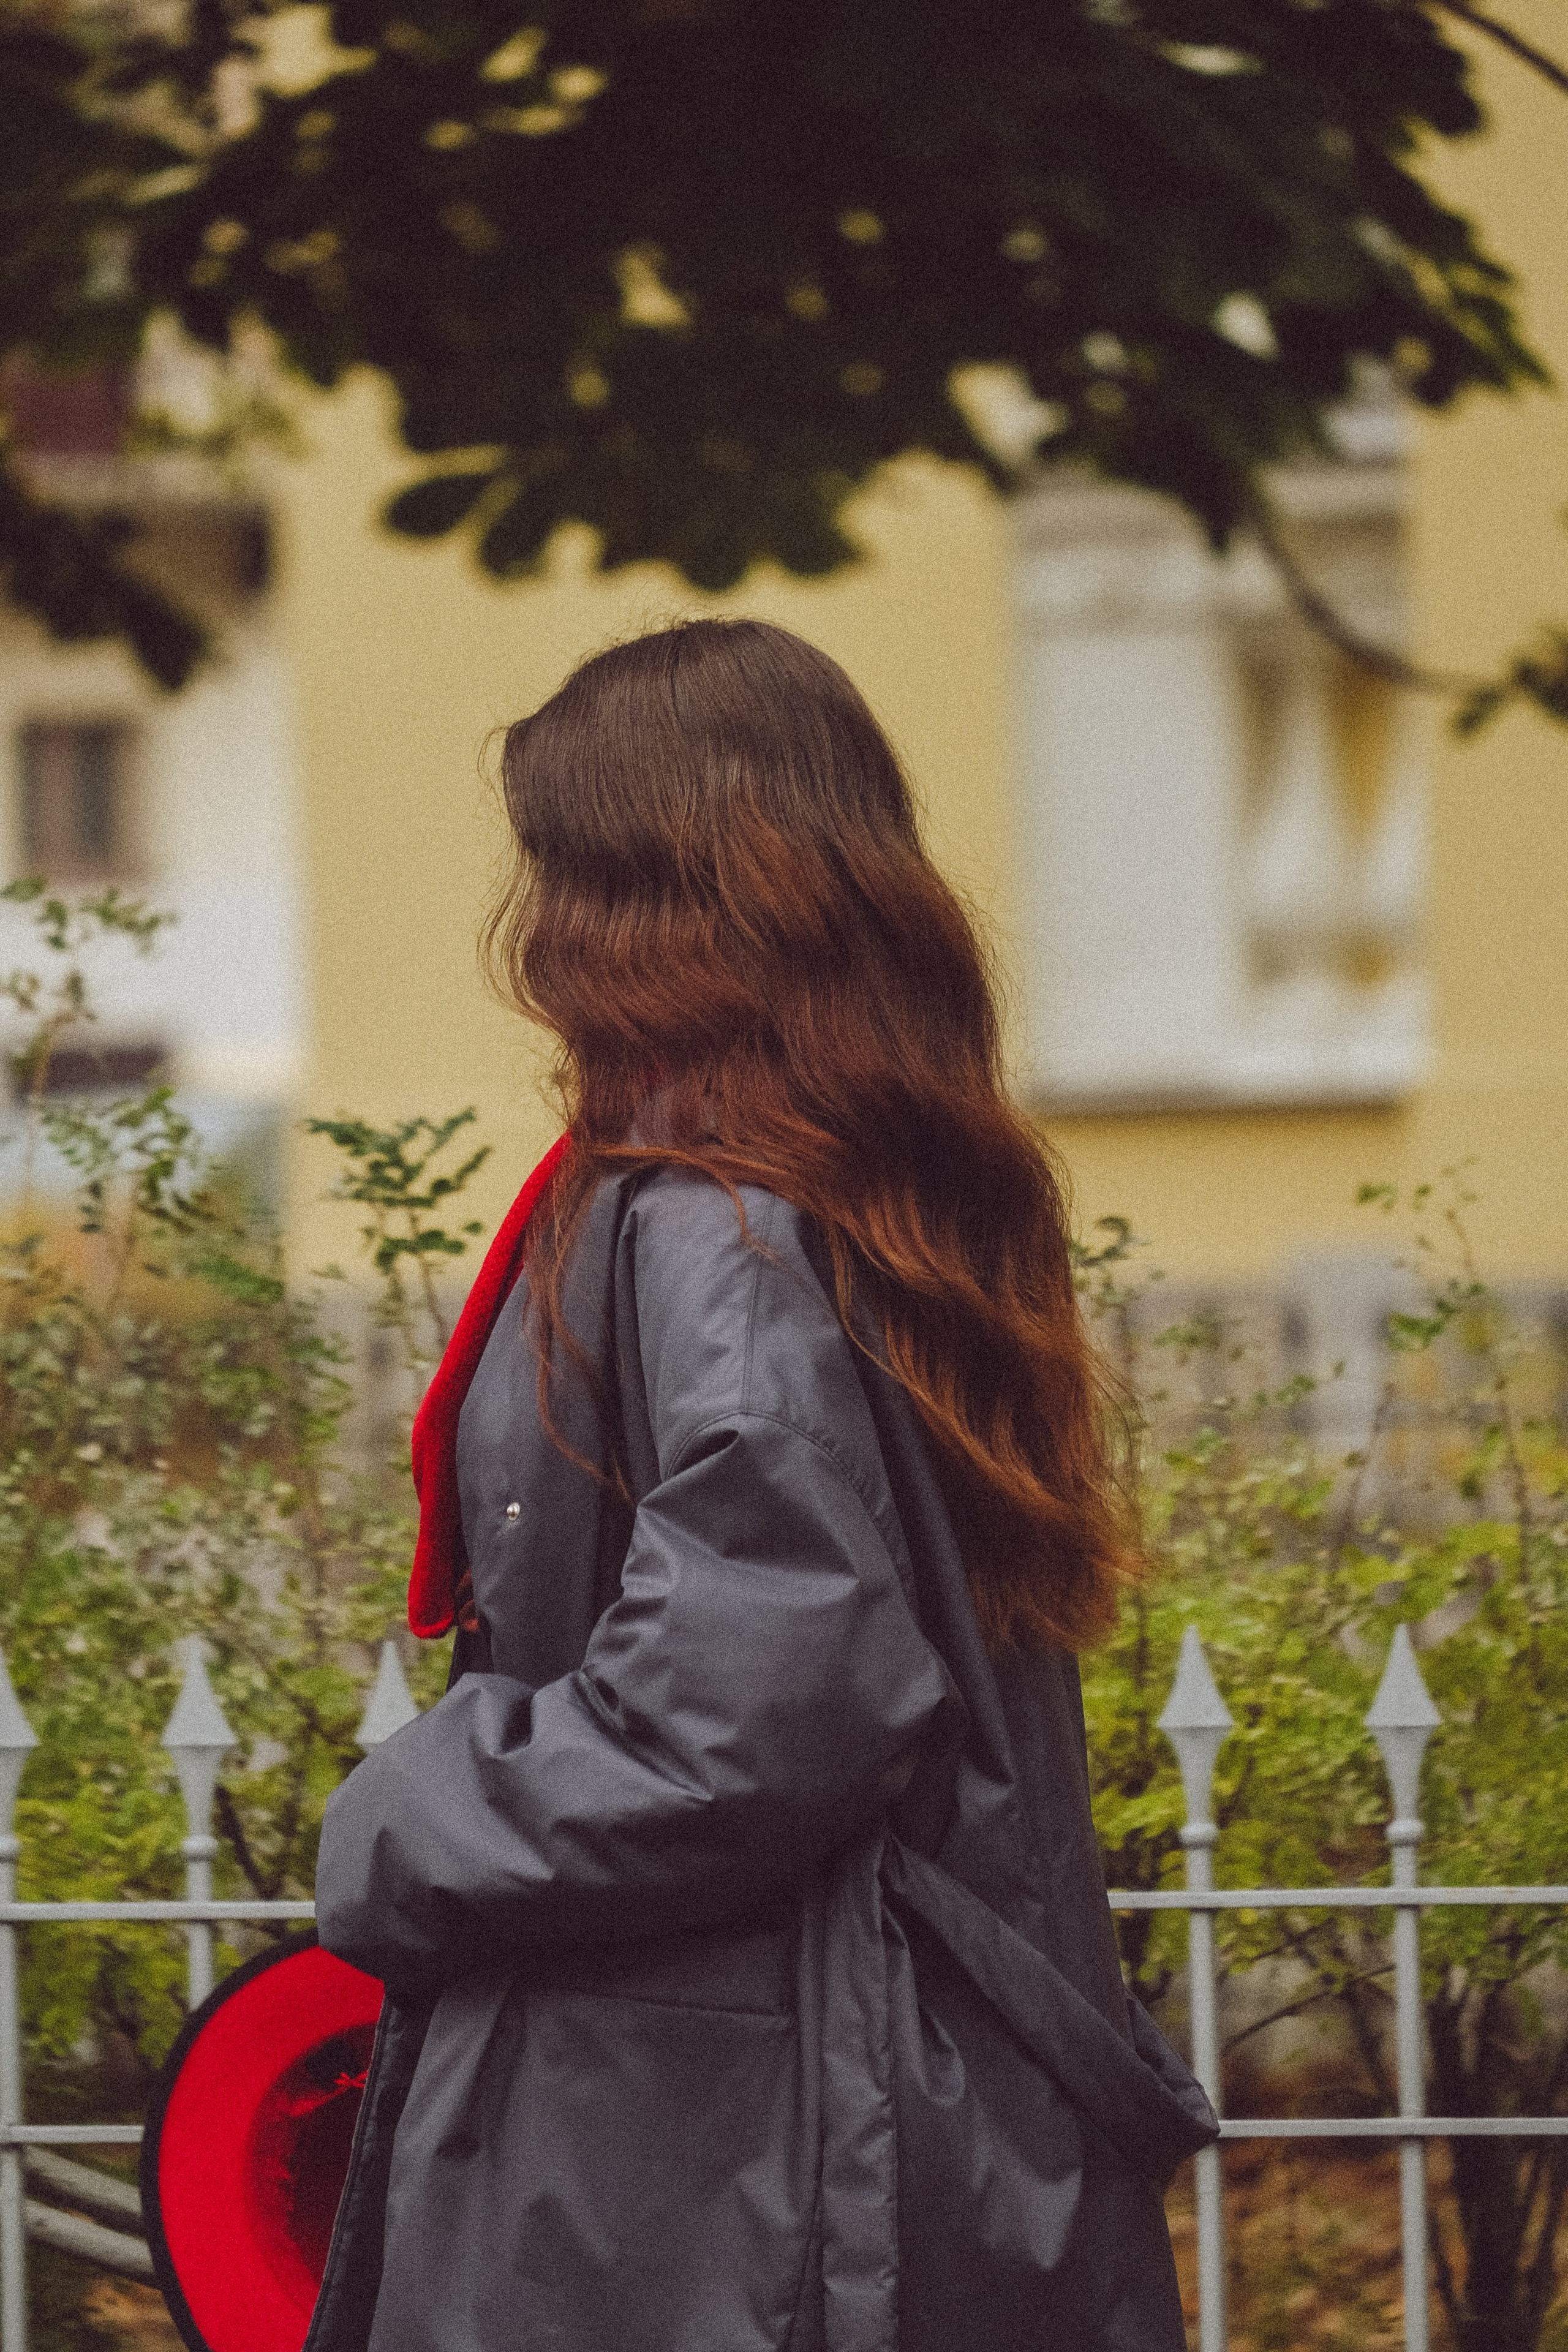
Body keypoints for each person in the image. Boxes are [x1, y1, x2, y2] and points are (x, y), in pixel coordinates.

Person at [306, 618, 1216, 2352]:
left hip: (712, 2157)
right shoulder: (882, 1197)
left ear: (629, 903)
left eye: (557, 871)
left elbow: (756, 1704)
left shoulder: (716, 1228)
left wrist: (401, 1820)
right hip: (817, 2112)